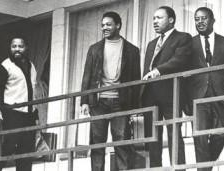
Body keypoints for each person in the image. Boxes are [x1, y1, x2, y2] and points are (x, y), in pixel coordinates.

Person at [80, 11, 140, 171]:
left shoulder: (132, 50)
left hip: (121, 103)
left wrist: (134, 107)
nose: (104, 28)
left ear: (118, 25)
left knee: (122, 143)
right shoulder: (94, 49)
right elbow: (87, 76)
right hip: (98, 103)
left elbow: (136, 80)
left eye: (108, 24)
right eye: (102, 25)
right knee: (97, 144)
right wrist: (84, 101)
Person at [186, 7, 224, 171]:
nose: (200, 22)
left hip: (220, 96)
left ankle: (204, 168)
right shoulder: (190, 43)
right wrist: (184, 101)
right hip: (198, 98)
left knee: (222, 132)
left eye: (204, 18)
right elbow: (184, 74)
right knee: (201, 138)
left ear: (212, 21)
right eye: (197, 19)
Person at [140, 6, 192, 169]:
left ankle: (178, 168)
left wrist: (158, 71)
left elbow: (179, 60)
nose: (155, 21)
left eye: (159, 18)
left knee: (174, 133)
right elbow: (145, 70)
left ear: (171, 20)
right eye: (154, 18)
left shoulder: (183, 38)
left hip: (172, 94)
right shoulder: (151, 44)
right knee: (152, 137)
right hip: (150, 95)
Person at [0, 36, 38, 171]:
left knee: (27, 152)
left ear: (26, 47)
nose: (17, 49)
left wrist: (35, 113)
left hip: (29, 115)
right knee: (10, 145)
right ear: (10, 48)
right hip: (13, 113)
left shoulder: (31, 65)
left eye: (20, 46)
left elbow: (31, 89)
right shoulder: (6, 65)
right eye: (14, 46)